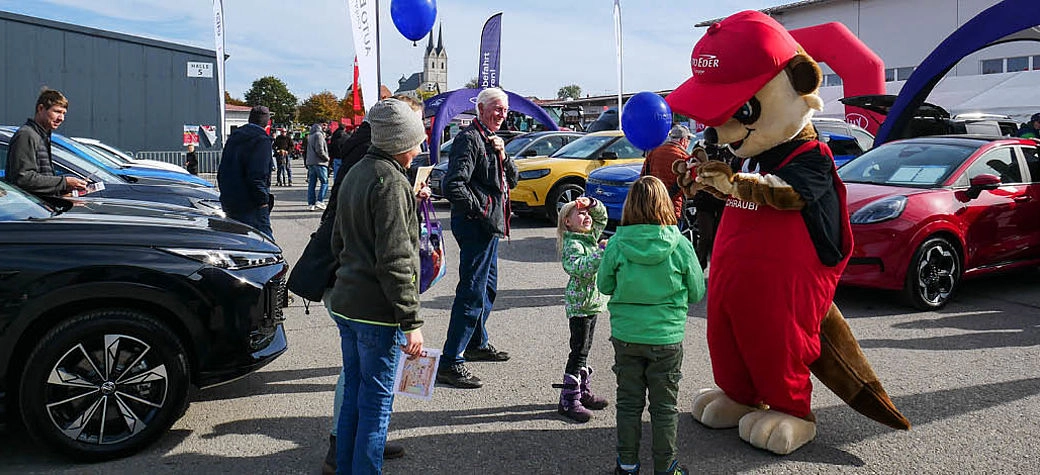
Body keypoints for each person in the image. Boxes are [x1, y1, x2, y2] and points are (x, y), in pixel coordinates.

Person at [320, 93, 420, 475]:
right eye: (416, 140)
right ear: (401, 141)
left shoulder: (357, 170)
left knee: (355, 400)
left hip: (347, 301)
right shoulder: (389, 182)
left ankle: (345, 466)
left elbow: (338, 242)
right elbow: (395, 259)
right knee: (376, 407)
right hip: (375, 313)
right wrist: (411, 321)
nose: (419, 147)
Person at [597, 176, 705, 475]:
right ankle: (666, 467)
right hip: (666, 337)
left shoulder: (617, 243)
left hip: (627, 336)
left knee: (629, 404)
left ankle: (627, 464)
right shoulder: (680, 244)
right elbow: (696, 291)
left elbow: (604, 285)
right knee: (665, 408)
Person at [438, 87, 518, 389]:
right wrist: (481, 210)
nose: (502, 114)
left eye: (505, 110)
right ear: (481, 109)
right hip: (477, 226)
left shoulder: (492, 140)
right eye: (497, 108)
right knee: (471, 291)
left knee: (487, 288)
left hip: (490, 226)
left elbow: (512, 179)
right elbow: (453, 185)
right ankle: (451, 361)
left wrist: (503, 152)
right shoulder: (469, 139)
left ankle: (476, 343)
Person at [554, 196, 610, 422]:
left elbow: (602, 218)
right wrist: (600, 252)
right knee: (578, 352)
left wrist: (592, 204)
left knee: (585, 349)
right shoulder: (573, 243)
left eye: (587, 214)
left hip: (592, 303)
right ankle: (568, 400)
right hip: (580, 306)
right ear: (567, 222)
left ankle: (582, 390)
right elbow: (579, 268)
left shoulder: (589, 236)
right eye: (581, 214)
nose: (587, 217)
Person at [4, 88, 88, 197]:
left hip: (41, 207)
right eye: (57, 111)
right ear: (41, 108)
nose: (61, 118)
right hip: (31, 210)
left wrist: (64, 190)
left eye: (64, 113)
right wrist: (64, 182)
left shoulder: (42, 135)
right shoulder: (26, 135)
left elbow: (42, 175)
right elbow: (23, 178)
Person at [217, 105, 275, 238]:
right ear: (266, 121)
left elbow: (223, 169)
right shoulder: (261, 140)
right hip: (251, 203)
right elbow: (257, 175)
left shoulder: (234, 137)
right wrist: (263, 200)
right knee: (264, 242)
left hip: (230, 199)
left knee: (238, 241)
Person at [642, 125, 693, 220]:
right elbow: (683, 183)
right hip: (674, 207)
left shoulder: (654, 152)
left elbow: (644, 177)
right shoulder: (684, 157)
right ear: (683, 140)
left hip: (654, 203)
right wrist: (667, 196)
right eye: (688, 140)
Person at [306, 122, 330, 211]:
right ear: (321, 125)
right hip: (320, 162)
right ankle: (320, 201)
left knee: (312, 184)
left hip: (311, 162)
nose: (326, 127)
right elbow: (319, 149)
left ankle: (311, 203)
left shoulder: (311, 135)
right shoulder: (319, 135)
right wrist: (327, 158)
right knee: (324, 182)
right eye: (324, 125)